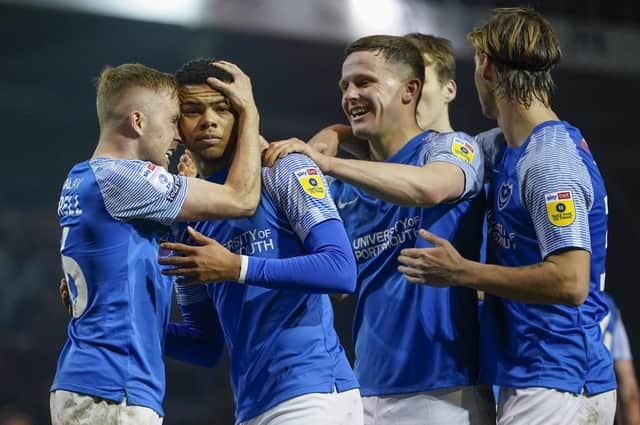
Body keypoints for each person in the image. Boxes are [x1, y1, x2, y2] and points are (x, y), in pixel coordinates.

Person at [397, 7, 617, 424]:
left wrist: (462, 272)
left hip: (560, 379)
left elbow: (571, 282)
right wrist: (341, 138)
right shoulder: (503, 146)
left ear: (487, 67)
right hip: (532, 373)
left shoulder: (549, 160)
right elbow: (428, 158)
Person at [264, 35, 494, 424]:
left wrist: (327, 162)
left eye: (364, 82)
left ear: (410, 90)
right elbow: (335, 284)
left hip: (444, 392)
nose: (351, 94)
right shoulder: (345, 190)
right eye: (345, 86)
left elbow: (430, 187)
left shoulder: (452, 149)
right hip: (363, 391)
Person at [51, 61, 262, 425]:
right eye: (171, 120)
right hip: (112, 388)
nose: (178, 135)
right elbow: (241, 198)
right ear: (138, 122)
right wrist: (249, 112)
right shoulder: (121, 178)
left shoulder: (83, 177)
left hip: (99, 383)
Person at [157, 58, 363, 425]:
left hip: (313, 393)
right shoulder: (186, 215)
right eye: (192, 110)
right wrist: (116, 315)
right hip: (253, 404)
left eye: (223, 108)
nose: (209, 120)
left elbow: (341, 270)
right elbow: (204, 343)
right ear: (176, 125)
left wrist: (237, 267)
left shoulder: (283, 170)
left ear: (243, 115)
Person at [601, 293, 640, 425]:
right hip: (597, 403)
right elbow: (629, 390)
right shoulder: (607, 306)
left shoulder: (547, 297)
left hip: (555, 402)